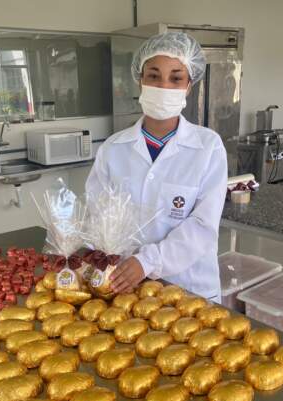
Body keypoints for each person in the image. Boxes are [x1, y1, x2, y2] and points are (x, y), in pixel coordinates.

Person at [85, 31, 227, 302]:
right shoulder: (113, 149)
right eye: (153, 76)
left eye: (176, 78)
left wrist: (147, 262)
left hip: (189, 289)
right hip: (124, 286)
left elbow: (202, 225)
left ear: (189, 86)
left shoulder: (208, 147)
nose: (163, 86)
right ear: (140, 80)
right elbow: (96, 214)